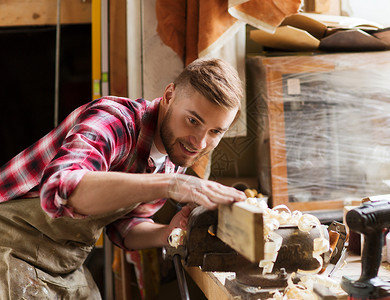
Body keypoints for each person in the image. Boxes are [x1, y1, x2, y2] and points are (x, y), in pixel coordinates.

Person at [0, 57, 246, 298]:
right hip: (10, 243)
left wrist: (168, 234)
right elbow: (60, 190)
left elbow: (125, 226)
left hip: (62, 260)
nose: (199, 142)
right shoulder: (114, 121)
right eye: (193, 120)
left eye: (215, 132)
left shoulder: (175, 154)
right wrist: (172, 185)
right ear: (170, 96)